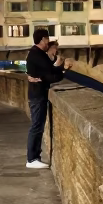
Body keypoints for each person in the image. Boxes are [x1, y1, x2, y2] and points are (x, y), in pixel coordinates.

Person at [25, 28, 68, 169]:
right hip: (37, 95)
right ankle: (32, 159)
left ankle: (34, 157)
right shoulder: (36, 54)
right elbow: (50, 73)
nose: (48, 42)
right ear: (43, 39)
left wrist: (58, 70)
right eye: (47, 39)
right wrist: (59, 71)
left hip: (39, 93)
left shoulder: (38, 54)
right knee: (36, 127)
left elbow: (51, 72)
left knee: (38, 126)